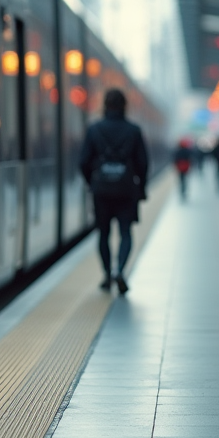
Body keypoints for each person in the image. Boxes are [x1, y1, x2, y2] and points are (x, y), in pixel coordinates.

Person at [79, 89, 149, 295]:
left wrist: (91, 182)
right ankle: (120, 270)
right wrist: (141, 187)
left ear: (105, 106)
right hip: (127, 189)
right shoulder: (134, 130)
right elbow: (143, 163)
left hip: (101, 191)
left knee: (103, 234)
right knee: (126, 232)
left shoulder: (94, 130)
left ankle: (107, 274)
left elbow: (83, 161)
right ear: (124, 106)